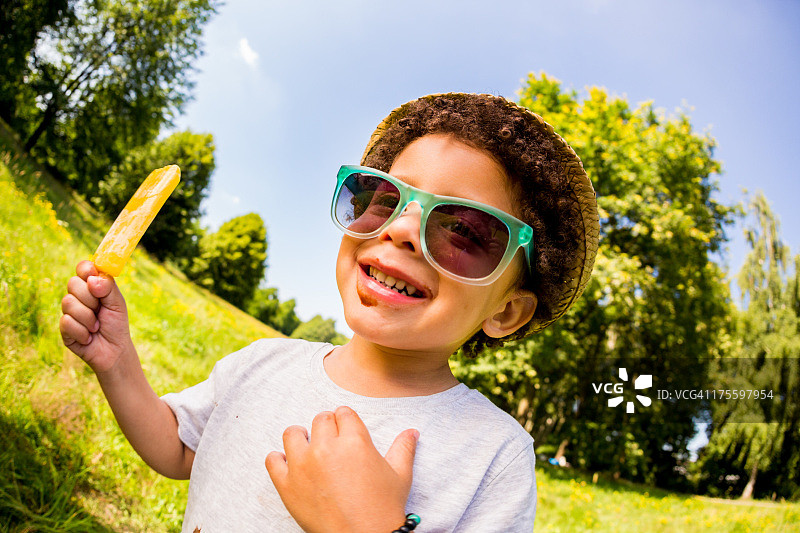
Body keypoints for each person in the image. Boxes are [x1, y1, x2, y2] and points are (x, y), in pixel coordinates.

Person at [60, 93, 599, 532]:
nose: (401, 230)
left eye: (463, 230)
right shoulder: (263, 363)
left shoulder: (493, 457)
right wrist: (116, 360)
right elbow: (178, 449)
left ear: (507, 310)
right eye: (384, 198)